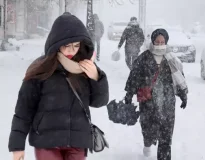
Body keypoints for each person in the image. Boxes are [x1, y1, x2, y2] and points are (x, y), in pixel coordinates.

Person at [8, 12, 109, 160]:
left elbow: (99, 102)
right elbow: (24, 110)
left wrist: (96, 77)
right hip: (46, 141)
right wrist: (17, 146)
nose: (71, 50)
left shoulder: (85, 68)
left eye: (76, 45)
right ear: (56, 43)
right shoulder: (40, 69)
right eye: (66, 45)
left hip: (78, 140)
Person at [123, 28, 188, 160]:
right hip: (148, 102)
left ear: (166, 42)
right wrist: (129, 94)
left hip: (167, 102)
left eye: (162, 42)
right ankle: (147, 142)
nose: (159, 45)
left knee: (166, 135)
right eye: (157, 42)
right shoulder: (144, 57)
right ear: (152, 42)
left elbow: (179, 78)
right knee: (148, 129)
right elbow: (134, 77)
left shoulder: (171, 59)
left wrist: (183, 95)